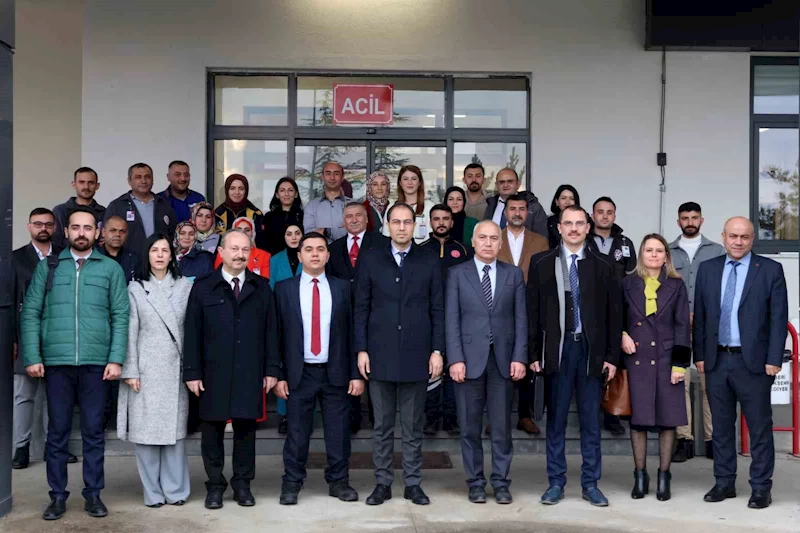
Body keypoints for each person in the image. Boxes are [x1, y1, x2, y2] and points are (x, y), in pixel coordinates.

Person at [21, 207, 129, 521]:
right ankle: (57, 496)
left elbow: (121, 315)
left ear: (97, 233)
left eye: (88, 228)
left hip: (97, 364)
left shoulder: (111, 269)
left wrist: (116, 358)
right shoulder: (49, 267)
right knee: (57, 433)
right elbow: (31, 313)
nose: (82, 233)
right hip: (57, 363)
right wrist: (33, 356)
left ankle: (93, 494)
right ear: (66, 232)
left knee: (94, 433)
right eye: (76, 227)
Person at [527, 205, 622, 508]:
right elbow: (532, 312)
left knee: (590, 422)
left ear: (588, 227)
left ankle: (590, 483)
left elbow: (614, 315)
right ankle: (556, 482)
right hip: (557, 350)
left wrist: (612, 356)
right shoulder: (541, 262)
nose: (573, 228)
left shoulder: (604, 265)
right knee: (555, 421)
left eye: (580, 223)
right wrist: (533, 353)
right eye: (568, 223)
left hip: (590, 351)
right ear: (559, 227)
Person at [694, 216, 788, 510]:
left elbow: (778, 318)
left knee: (759, 428)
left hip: (755, 364)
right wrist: (700, 355)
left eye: (744, 237)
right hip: (716, 360)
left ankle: (760, 487)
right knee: (721, 428)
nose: (738, 242)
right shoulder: (708, 269)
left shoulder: (770, 270)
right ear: (723, 236)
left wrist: (774, 359)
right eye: (733, 236)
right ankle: (724, 482)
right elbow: (701, 316)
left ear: (752, 239)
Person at [355, 203, 445, 506]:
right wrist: (361, 349)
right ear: (387, 226)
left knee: (412, 425)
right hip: (378, 354)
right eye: (396, 222)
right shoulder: (371, 258)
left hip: (417, 354)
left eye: (407, 222)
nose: (402, 227)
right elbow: (360, 307)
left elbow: (438, 309)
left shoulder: (428, 259)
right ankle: (382, 483)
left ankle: (413, 483)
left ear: (415, 226)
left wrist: (437, 350)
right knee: (381, 426)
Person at [183, 228, 280, 510]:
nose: (239, 254)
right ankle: (215, 486)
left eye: (244, 249)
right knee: (212, 431)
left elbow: (272, 332)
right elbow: (192, 331)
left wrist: (271, 369)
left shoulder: (262, 288)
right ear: (221, 252)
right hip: (212, 373)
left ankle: (242, 485)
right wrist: (192, 372)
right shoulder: (203, 287)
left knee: (245, 431)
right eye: (234, 249)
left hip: (250, 370)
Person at [275, 232, 364, 505]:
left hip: (335, 371)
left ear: (328, 255)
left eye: (320, 249)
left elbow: (353, 332)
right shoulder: (284, 289)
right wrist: (279, 375)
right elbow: (276, 335)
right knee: (297, 434)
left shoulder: (342, 288)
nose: (315, 254)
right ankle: (291, 484)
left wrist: (355, 374)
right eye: (309, 249)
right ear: (299, 255)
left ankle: (339, 482)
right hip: (299, 373)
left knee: (338, 433)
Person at [446, 220, 528, 504]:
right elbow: (451, 319)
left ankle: (501, 483)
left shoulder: (513, 274)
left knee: (502, 428)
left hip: (502, 361)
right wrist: (455, 358)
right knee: (469, 428)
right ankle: (476, 483)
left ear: (501, 243)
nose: (488, 243)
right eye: (483, 237)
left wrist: (520, 356)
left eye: (494, 238)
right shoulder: (457, 274)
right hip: (468, 361)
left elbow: (521, 319)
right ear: (473, 241)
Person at [118, 233, 193, 508]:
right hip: (146, 369)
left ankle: (176, 491)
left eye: (164, 250)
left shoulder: (185, 287)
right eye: (154, 250)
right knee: (146, 436)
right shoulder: (136, 289)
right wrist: (130, 371)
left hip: (176, 370)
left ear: (172, 256)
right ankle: (152, 493)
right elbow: (130, 332)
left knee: (175, 437)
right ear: (147, 255)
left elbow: (192, 329)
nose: (160, 255)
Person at [621, 234, 691, 502]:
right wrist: (621, 335)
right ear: (641, 254)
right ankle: (640, 475)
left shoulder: (676, 285)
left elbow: (683, 326)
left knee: (667, 420)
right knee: (638, 421)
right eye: (649, 250)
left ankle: (664, 475)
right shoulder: (627, 283)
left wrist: (680, 365)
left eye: (659, 250)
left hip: (666, 360)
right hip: (637, 359)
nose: (653, 255)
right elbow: (616, 316)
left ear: (666, 256)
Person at [11, 208, 76, 468]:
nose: (44, 228)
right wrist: (12, 339)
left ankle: (55, 447)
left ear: (55, 228)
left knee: (56, 396)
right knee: (24, 396)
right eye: (38, 224)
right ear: (29, 227)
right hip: (25, 334)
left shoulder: (65, 256)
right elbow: (9, 302)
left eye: (48, 224)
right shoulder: (15, 258)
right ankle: (21, 448)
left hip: (58, 334)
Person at [668, 202, 725, 463]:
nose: (689, 222)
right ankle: (684, 440)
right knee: (678, 381)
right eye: (685, 218)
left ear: (701, 220)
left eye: (694, 217)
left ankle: (713, 441)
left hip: (709, 327)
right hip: (676, 327)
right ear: (678, 221)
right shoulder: (668, 252)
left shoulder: (717, 251)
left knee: (708, 382)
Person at [327, 203, 386, 434]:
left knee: (374, 367)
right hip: (342, 316)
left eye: (358, 215)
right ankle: (352, 419)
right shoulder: (333, 248)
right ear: (343, 221)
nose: (353, 220)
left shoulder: (381, 244)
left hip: (375, 315)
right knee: (347, 366)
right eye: (349, 216)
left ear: (366, 219)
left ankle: (376, 418)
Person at [496, 195, 548, 436]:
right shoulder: (494, 237)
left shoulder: (540, 241)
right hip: (499, 309)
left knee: (527, 361)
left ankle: (524, 416)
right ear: (505, 213)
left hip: (530, 308)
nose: (517, 212)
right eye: (512, 208)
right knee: (499, 362)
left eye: (521, 209)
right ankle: (499, 416)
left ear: (528, 213)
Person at [418, 204, 470, 437]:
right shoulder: (420, 250)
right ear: (430, 222)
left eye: (445, 218)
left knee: (453, 368)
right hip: (428, 318)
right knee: (430, 369)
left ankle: (451, 419)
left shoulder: (463, 250)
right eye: (436, 218)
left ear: (452, 222)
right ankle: (430, 418)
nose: (441, 222)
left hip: (458, 317)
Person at [587, 196, 635, 437]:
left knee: (615, 361)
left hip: (618, 309)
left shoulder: (625, 243)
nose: (604, 216)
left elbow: (633, 280)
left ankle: (612, 414)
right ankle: (589, 413)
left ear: (614, 215)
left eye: (609, 212)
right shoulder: (583, 239)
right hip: (588, 309)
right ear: (592, 215)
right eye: (600, 211)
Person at [269, 223, 304, 434]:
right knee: (284, 367)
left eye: (297, 233)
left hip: (307, 319)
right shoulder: (275, 260)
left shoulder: (308, 256)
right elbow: (271, 289)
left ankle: (303, 414)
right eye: (289, 233)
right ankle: (284, 414)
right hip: (282, 318)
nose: (293, 237)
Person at [105, 163, 178, 258]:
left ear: (152, 180)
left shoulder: (164, 205)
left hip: (158, 260)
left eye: (147, 177)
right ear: (129, 180)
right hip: (127, 261)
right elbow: (107, 237)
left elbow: (173, 235)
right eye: (138, 177)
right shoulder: (117, 206)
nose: (143, 181)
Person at [52, 167, 106, 251]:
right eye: (81, 182)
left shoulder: (104, 212)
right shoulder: (60, 211)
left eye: (91, 183)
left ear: (97, 186)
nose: (86, 187)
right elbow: (55, 241)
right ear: (74, 184)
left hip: (97, 258)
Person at [484, 168, 547, 237]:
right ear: (496, 185)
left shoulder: (532, 206)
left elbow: (541, 237)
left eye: (510, 181)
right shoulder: (489, 204)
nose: (505, 185)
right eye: (501, 182)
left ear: (518, 184)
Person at [382, 165, 431, 245]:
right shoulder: (392, 207)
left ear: (419, 182)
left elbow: (431, 238)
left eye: (414, 179)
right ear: (400, 183)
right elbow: (386, 236)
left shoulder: (429, 207)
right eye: (405, 179)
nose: (409, 182)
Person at [304, 162, 350, 242]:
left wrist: (325, 231)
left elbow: (354, 232)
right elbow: (309, 234)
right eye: (328, 173)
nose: (332, 177)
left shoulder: (353, 205)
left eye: (336, 173)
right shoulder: (311, 206)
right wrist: (340, 230)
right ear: (322, 177)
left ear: (342, 177)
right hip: (319, 249)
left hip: (346, 250)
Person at [259, 177, 303, 255]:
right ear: (277, 194)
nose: (286, 194)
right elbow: (263, 242)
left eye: (290, 190)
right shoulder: (269, 217)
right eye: (282, 190)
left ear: (296, 194)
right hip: (273, 259)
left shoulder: (303, 216)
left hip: (299, 259)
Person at [95, 215, 139, 284]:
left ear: (127, 234)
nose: (117, 234)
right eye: (113, 230)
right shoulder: (93, 256)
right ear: (103, 232)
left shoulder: (134, 259)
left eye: (122, 231)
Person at [547, 185, 580, 250]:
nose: (567, 202)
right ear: (557, 202)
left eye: (571, 198)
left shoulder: (585, 220)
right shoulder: (549, 222)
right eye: (563, 198)